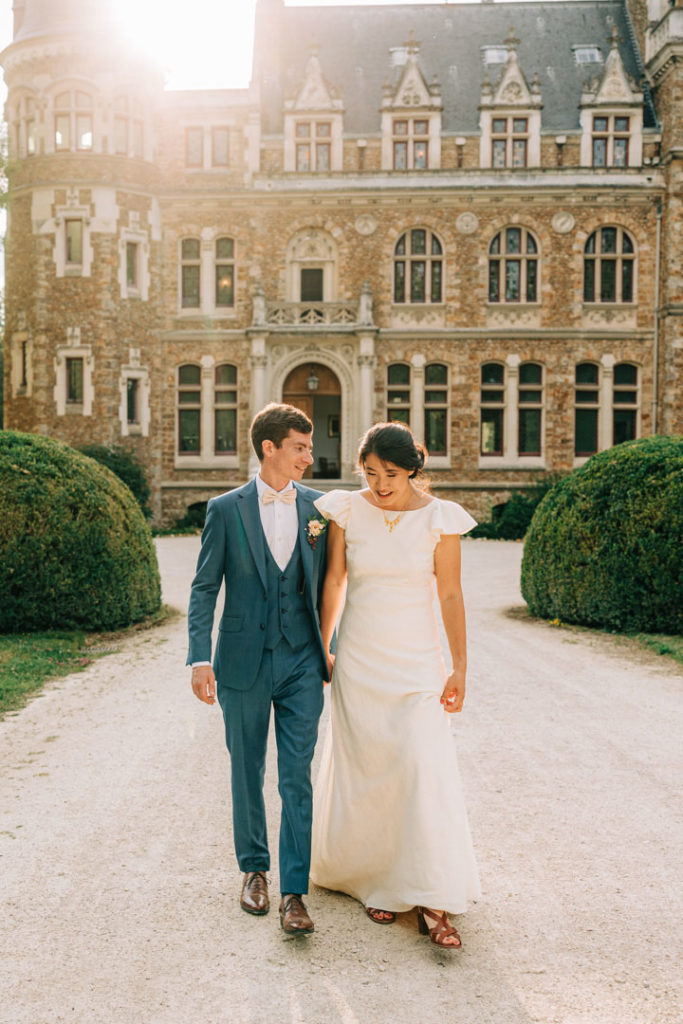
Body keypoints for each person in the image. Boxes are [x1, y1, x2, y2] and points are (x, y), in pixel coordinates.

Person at [310, 422, 481, 949]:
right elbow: (335, 580)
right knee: (367, 768)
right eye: (370, 472)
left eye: (389, 472)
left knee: (420, 763)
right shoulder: (345, 511)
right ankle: (374, 881)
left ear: (412, 467)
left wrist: (459, 666)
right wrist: (323, 643)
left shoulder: (439, 519)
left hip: (415, 664)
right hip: (359, 659)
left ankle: (432, 897)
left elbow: (450, 595)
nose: (380, 484)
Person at [187, 403, 331, 936]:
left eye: (309, 448)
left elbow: (333, 587)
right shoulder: (225, 510)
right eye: (300, 447)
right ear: (269, 448)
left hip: (301, 660)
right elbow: (205, 588)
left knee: (297, 776)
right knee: (246, 770)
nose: (309, 458)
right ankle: (254, 871)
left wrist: (331, 649)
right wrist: (199, 656)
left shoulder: (321, 511)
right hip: (241, 661)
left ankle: (295, 892)